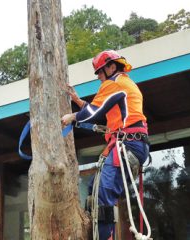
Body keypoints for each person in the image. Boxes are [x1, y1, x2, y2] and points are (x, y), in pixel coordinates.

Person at [62, 50, 150, 240]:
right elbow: (102, 112)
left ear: (111, 67)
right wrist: (77, 101)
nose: (99, 77)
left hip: (128, 144)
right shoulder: (123, 83)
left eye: (100, 72)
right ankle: (98, 233)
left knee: (102, 193)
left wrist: (71, 117)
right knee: (95, 187)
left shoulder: (114, 83)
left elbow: (93, 112)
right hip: (130, 144)